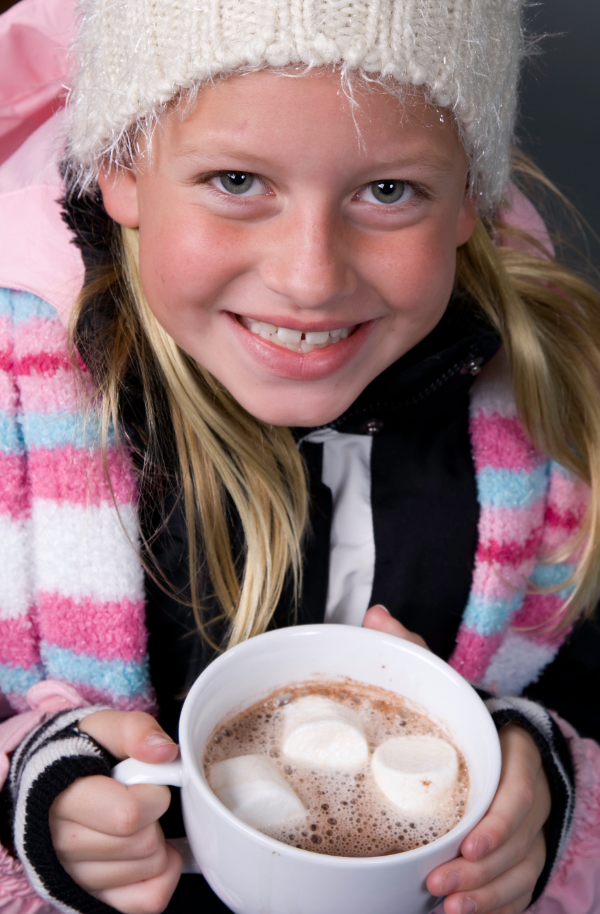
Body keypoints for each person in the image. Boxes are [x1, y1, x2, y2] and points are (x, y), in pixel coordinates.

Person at [0, 0, 599, 912]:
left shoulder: (545, 396)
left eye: (388, 192)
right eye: (238, 180)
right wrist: (34, 796)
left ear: (468, 198)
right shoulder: (19, 400)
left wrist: (533, 772)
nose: (311, 276)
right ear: (120, 166)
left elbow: (577, 671)